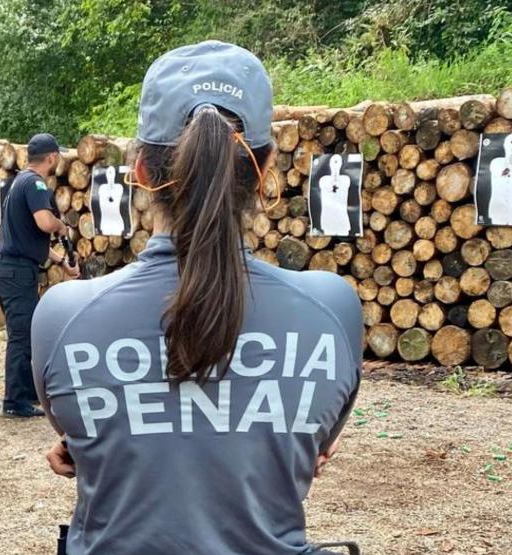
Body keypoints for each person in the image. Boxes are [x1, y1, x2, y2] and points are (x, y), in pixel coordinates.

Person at [32, 41, 362, 555]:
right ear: (266, 166)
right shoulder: (333, 309)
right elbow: (307, 449)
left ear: (140, 171)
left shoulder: (63, 313)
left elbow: (87, 436)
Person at [0, 133, 80, 418]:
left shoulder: (21, 181)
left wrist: (60, 261)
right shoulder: (36, 183)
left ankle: (26, 392)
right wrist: (61, 226)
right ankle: (15, 400)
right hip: (16, 270)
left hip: (14, 267)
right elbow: (44, 223)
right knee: (21, 334)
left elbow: (28, 239)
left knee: (25, 331)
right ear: (52, 157)